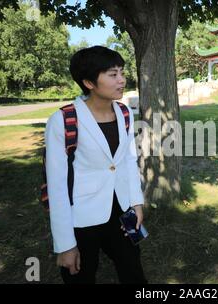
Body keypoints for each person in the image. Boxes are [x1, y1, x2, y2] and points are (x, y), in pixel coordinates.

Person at [45, 46, 147, 284]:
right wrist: (66, 245)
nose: (122, 80)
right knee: (80, 276)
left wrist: (136, 203)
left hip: (122, 210)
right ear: (89, 82)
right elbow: (57, 186)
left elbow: (128, 161)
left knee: (134, 272)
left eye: (122, 72)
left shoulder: (124, 113)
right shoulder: (63, 120)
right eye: (113, 75)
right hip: (81, 217)